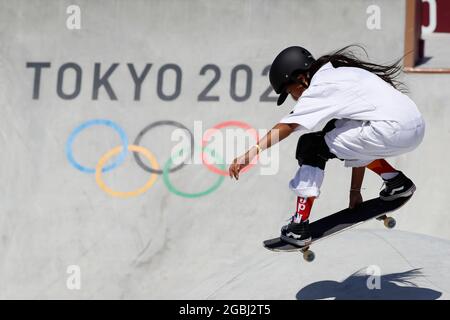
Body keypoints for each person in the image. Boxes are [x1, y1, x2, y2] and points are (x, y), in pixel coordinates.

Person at [228, 46, 425, 247]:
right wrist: (354, 190)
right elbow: (359, 146)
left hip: (390, 130)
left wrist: (251, 154)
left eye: (290, 91)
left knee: (311, 145)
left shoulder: (320, 86)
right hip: (413, 127)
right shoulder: (341, 74)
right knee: (334, 130)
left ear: (300, 77)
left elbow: (288, 126)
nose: (295, 98)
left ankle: (299, 226)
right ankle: (395, 181)